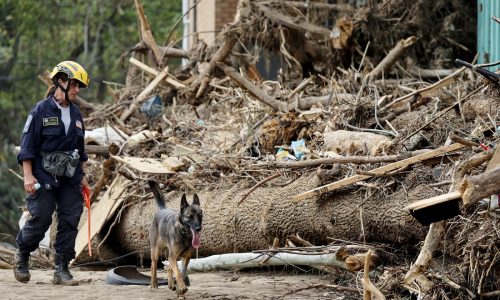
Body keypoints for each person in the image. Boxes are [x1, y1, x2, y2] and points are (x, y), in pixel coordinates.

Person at [14, 61, 90, 286]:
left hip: (70, 178)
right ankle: (23, 254)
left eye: (79, 86)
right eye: (75, 85)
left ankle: (62, 269)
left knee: (70, 220)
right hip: (43, 176)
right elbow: (27, 145)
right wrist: (28, 176)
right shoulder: (40, 110)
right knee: (41, 218)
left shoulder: (76, 114)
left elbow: (80, 150)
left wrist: (82, 175)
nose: (77, 90)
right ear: (61, 81)